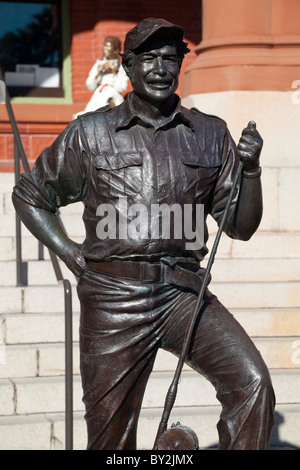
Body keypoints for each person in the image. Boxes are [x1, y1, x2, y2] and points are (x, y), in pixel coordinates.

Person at [12, 18, 275, 450]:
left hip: (183, 296)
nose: (159, 68)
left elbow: (240, 227)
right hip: (113, 298)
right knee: (111, 440)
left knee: (253, 384)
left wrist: (251, 170)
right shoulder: (91, 133)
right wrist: (69, 252)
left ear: (180, 66)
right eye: (148, 58)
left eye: (169, 58)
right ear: (127, 67)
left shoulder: (210, 133)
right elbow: (29, 194)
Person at [76, 36, 128, 115]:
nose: (104, 49)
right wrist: (98, 73)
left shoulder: (120, 67)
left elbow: (121, 87)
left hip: (114, 96)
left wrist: (114, 72)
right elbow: (90, 86)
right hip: (99, 97)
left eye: (108, 46)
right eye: (104, 46)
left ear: (115, 50)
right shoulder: (98, 64)